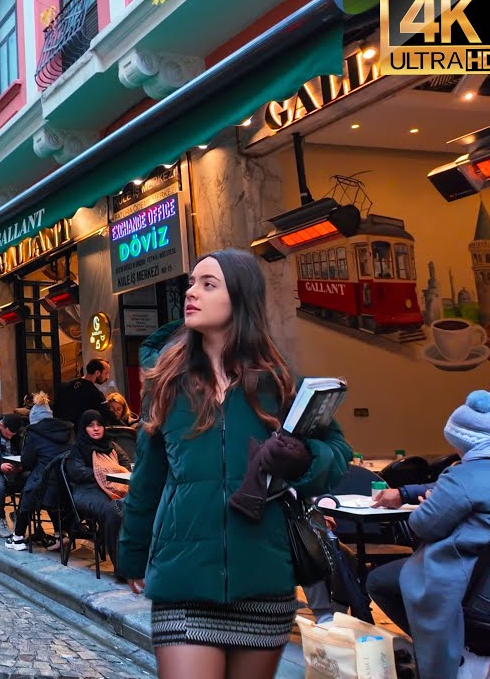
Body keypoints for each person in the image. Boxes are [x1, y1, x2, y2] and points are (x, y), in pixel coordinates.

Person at [119, 249, 350, 679]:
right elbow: (147, 479)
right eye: (192, 283)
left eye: (209, 284)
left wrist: (303, 458)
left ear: (240, 298)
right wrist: (132, 555)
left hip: (262, 579)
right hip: (183, 581)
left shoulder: (280, 382)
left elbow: (338, 455)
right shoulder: (166, 384)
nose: (192, 292)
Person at [366, 392, 490, 679]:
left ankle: (463, 655)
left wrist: (428, 506)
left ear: (461, 442)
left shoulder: (464, 476)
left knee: (382, 580)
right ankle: (483, 652)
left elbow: (423, 527)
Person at [66, 409, 131, 577]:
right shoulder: (78, 448)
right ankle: (122, 568)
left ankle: (141, 562)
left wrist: (106, 473)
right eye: (90, 425)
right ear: (83, 428)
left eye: (99, 425)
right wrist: (105, 472)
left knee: (140, 506)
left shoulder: (111, 446)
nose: (96, 429)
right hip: (86, 491)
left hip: (115, 488)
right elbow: (77, 473)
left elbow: (126, 467)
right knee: (114, 511)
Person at [5, 392, 73, 551]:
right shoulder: (67, 430)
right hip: (65, 482)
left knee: (27, 491)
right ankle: (60, 534)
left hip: (44, 483)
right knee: (46, 490)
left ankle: (18, 537)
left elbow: (27, 462)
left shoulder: (34, 432)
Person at [55, 359, 118, 428]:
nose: (107, 377)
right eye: (106, 373)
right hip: (81, 433)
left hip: (62, 431)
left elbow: (56, 410)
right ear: (97, 373)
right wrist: (128, 430)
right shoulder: (96, 394)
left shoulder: (65, 386)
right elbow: (109, 416)